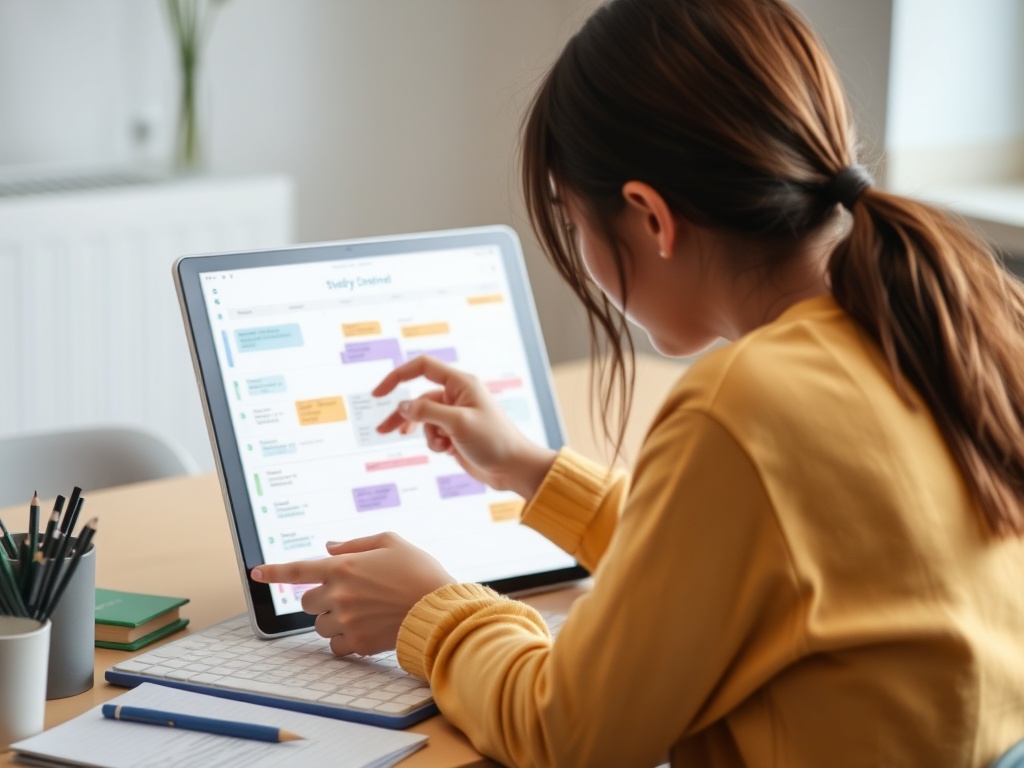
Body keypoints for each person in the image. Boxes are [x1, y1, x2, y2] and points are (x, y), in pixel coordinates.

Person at [251, 0, 1024, 764]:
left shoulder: (745, 402)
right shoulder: (949, 322)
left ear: (650, 217)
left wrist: (431, 608)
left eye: (575, 223)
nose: (581, 252)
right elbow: (760, 564)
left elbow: (569, 732)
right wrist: (532, 470)